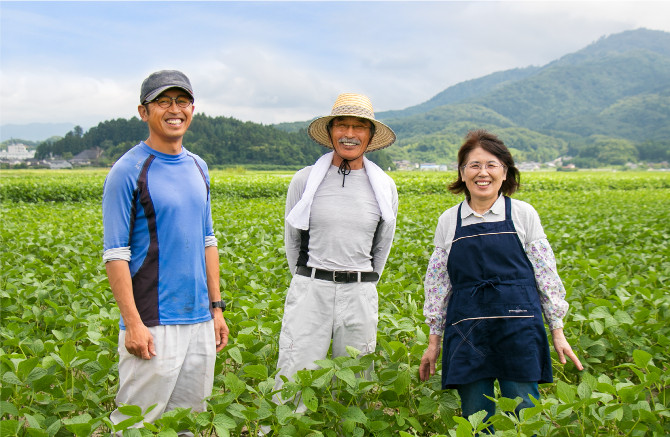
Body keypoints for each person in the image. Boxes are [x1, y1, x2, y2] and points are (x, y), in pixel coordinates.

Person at [419, 129, 583, 428]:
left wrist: (557, 330)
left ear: (505, 172)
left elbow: (546, 276)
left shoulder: (523, 214)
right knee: (475, 418)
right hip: (468, 331)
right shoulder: (448, 220)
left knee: (524, 416)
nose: (483, 173)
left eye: (492, 165)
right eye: (475, 165)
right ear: (462, 172)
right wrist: (434, 340)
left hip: (519, 327)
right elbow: (438, 285)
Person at [102, 70, 229, 434]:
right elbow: (115, 254)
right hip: (153, 323)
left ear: (192, 108)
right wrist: (134, 324)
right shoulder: (128, 170)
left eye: (182, 101)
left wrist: (216, 309)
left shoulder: (197, 166)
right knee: (135, 426)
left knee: (189, 424)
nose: (175, 110)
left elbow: (208, 240)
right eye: (163, 102)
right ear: (144, 112)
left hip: (199, 321)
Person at [275, 93, 398, 409]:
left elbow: (382, 245)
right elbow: (293, 240)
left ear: (370, 136)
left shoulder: (383, 186)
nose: (349, 134)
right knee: (295, 371)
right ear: (330, 132)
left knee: (357, 379)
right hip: (311, 286)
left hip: (360, 290)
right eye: (342, 125)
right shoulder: (305, 180)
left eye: (359, 127)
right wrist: (309, 281)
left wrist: (362, 282)